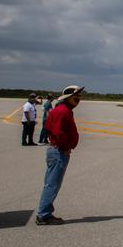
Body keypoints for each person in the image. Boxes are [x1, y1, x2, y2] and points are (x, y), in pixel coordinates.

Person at [36, 84, 84, 225]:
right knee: (52, 184)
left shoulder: (62, 110)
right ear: (68, 97)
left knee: (52, 183)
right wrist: (65, 147)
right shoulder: (63, 111)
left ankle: (45, 212)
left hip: (57, 150)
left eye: (79, 95)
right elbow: (57, 131)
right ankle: (44, 215)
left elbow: (50, 128)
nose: (79, 98)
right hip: (58, 151)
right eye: (76, 95)